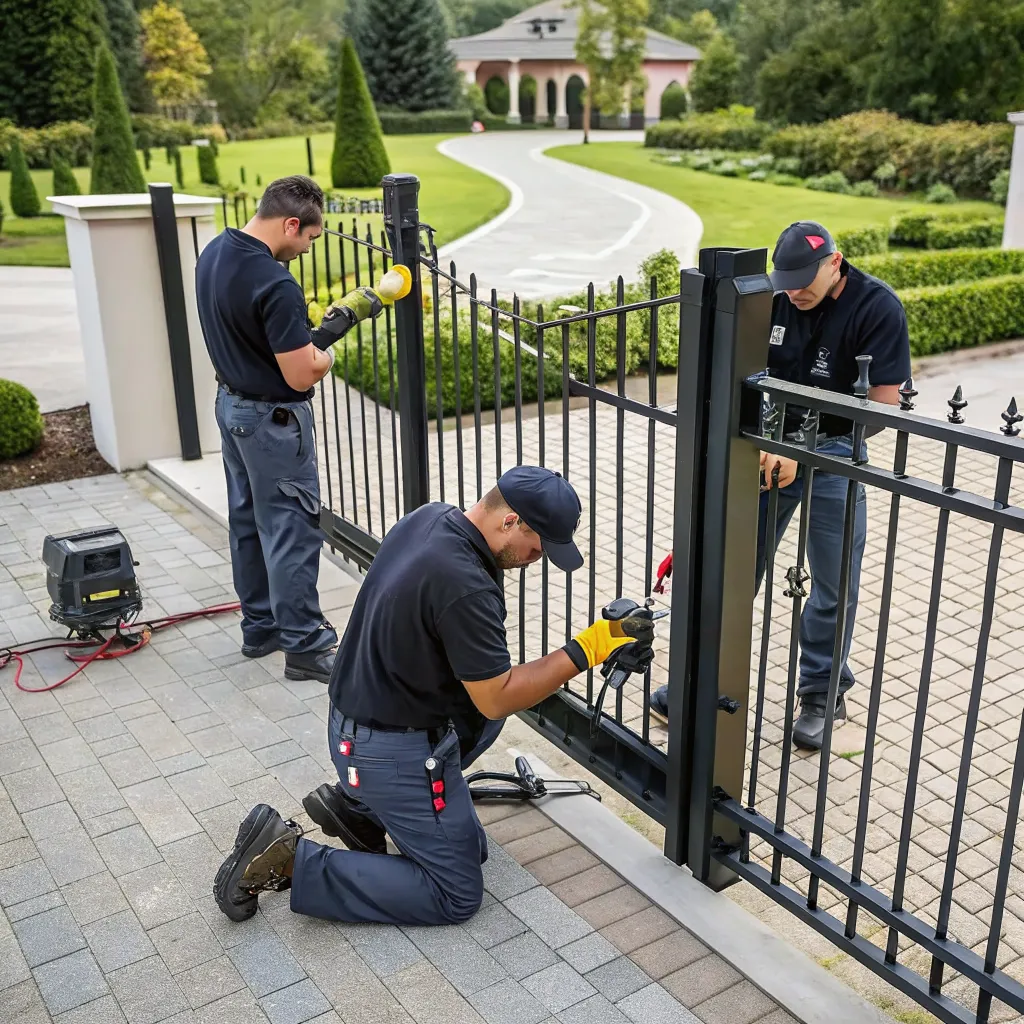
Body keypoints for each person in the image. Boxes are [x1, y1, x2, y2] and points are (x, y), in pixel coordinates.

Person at [213, 466, 656, 925]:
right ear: (510, 521)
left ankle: (359, 806)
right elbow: (497, 697)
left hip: (358, 723)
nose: (536, 558)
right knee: (456, 893)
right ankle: (286, 858)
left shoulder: (430, 518)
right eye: (538, 545)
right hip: (384, 751)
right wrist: (591, 647)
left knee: (474, 839)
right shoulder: (464, 583)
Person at [649, 221, 911, 750]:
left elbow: (886, 404)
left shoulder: (876, 306)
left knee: (833, 581)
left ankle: (821, 692)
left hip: (835, 454)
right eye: (786, 280)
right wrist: (768, 441)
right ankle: (702, 684)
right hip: (768, 446)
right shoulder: (778, 297)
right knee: (735, 567)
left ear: (835, 262)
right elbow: (746, 377)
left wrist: (804, 452)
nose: (793, 292)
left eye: (803, 280)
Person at [196, 175, 401, 684]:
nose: (308, 248)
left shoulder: (216, 250)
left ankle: (260, 627)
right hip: (272, 421)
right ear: (291, 223)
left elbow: (262, 338)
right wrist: (325, 355)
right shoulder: (275, 281)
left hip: (231, 406)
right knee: (289, 529)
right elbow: (301, 371)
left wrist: (336, 319)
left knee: (247, 522)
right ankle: (307, 646)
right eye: (309, 238)